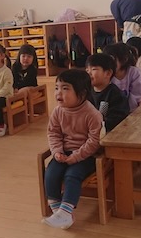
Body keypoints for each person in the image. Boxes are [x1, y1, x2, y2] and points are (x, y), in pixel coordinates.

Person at [43, 69, 102, 229]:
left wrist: (76, 156)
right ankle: (58, 211)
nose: (58, 93)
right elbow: (53, 133)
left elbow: (94, 141)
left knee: (72, 175)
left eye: (65, 88)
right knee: (51, 173)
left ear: (82, 93)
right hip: (64, 153)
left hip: (86, 156)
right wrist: (57, 151)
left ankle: (65, 212)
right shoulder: (58, 111)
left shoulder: (92, 114)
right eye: (57, 88)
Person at [85, 53, 129, 133]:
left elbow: (117, 121)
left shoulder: (116, 95)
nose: (89, 73)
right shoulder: (85, 92)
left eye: (94, 69)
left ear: (108, 73)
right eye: (87, 70)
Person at [102, 43, 141, 112]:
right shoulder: (107, 74)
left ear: (124, 59)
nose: (109, 64)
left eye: (112, 60)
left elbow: (136, 97)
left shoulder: (134, 73)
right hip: (115, 111)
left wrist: (125, 113)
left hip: (135, 110)